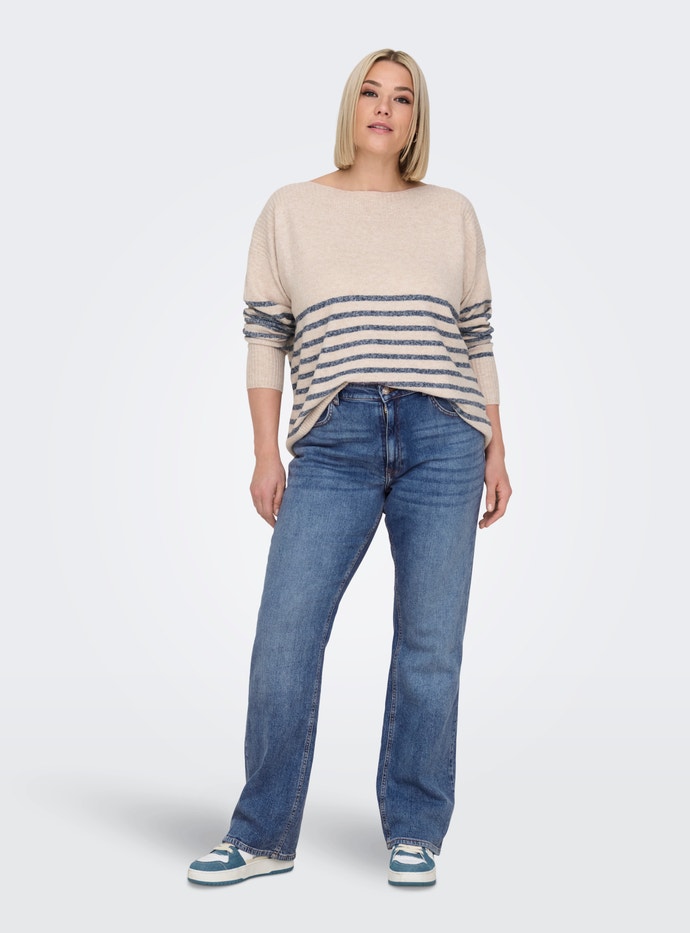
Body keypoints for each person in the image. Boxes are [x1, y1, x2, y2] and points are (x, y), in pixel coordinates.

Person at [188, 47, 512, 889]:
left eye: (402, 98)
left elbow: (476, 336)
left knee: (430, 645)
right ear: (351, 104)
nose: (384, 108)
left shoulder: (452, 213)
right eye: (371, 92)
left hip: (445, 436)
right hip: (334, 440)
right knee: (286, 636)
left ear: (416, 120)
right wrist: (265, 450)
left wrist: (497, 443)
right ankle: (264, 835)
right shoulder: (292, 209)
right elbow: (267, 334)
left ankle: (416, 828)